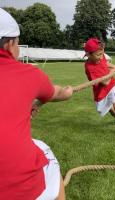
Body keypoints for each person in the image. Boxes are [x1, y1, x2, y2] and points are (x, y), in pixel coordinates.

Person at [0, 8, 73, 199]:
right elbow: (57, 92)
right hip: (19, 190)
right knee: (45, 151)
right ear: (9, 45)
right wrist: (68, 92)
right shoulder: (28, 74)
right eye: (17, 43)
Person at [84, 38, 115, 137]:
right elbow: (105, 82)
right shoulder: (89, 67)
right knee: (111, 110)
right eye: (98, 55)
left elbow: (105, 63)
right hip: (101, 91)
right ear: (89, 54)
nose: (101, 57)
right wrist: (113, 71)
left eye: (102, 54)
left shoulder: (101, 57)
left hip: (112, 85)